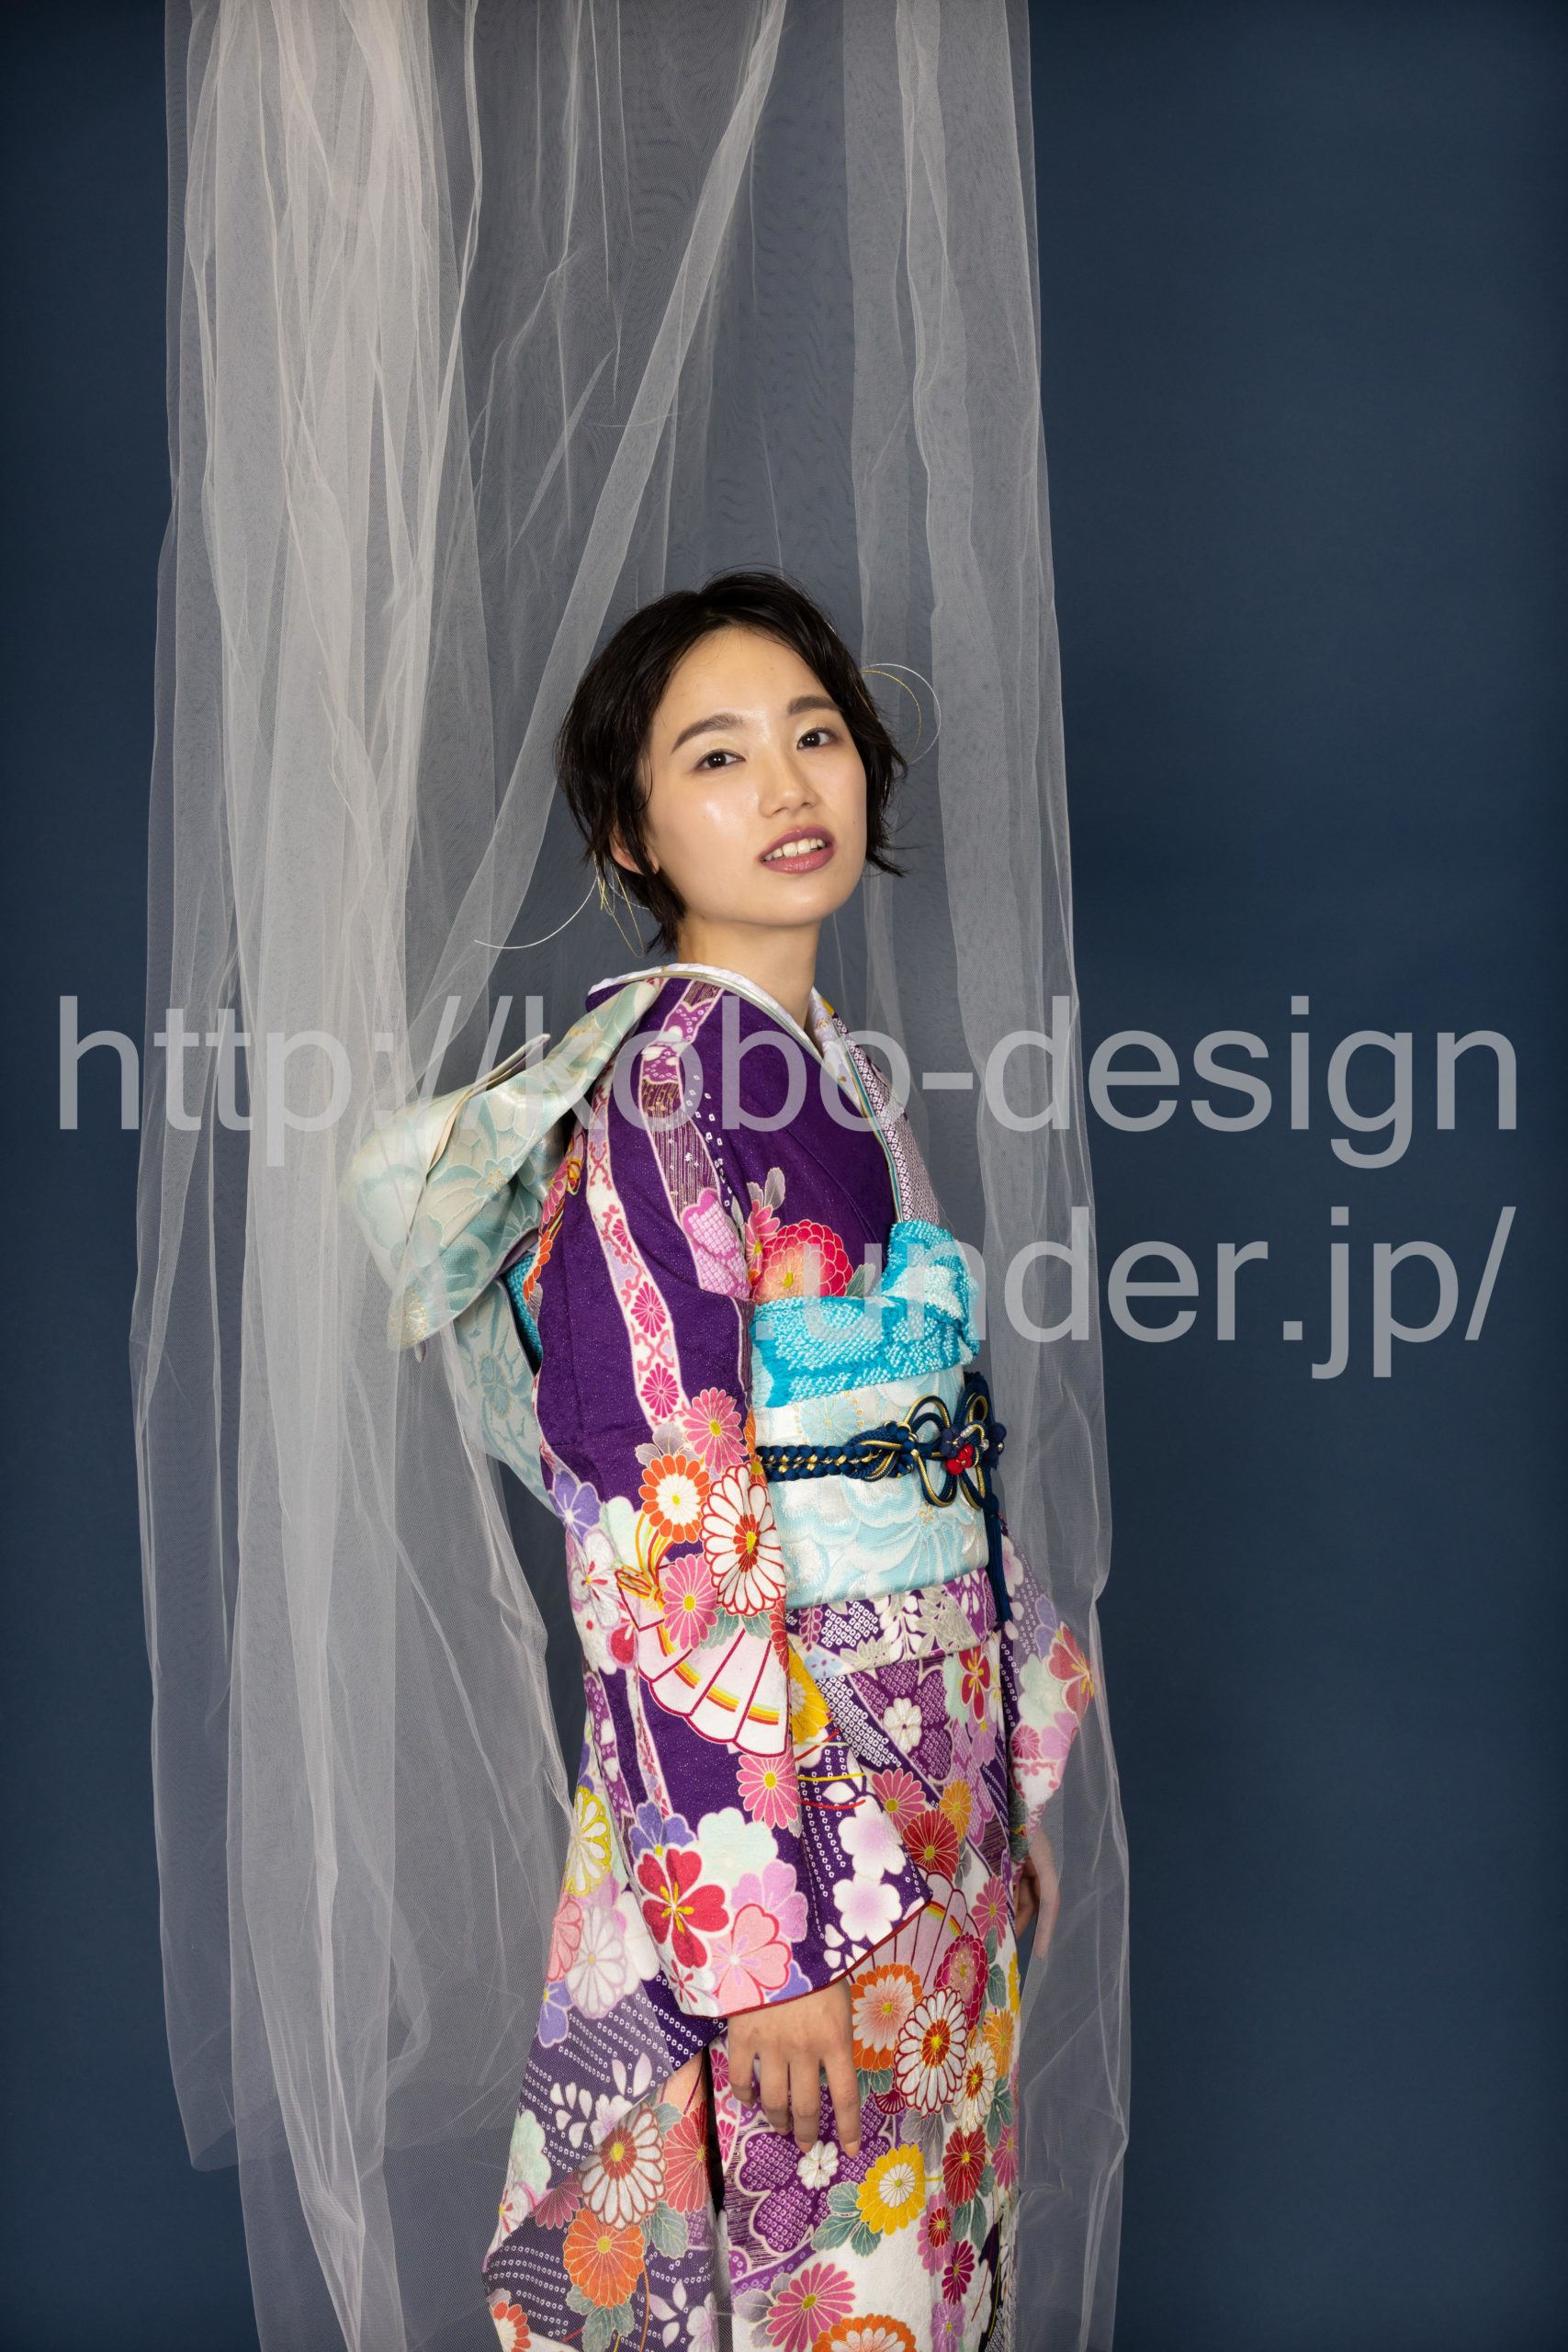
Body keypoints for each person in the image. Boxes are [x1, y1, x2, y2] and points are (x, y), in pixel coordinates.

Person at [347, 571, 1095, 2352]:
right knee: (806, 2277)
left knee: (923, 2267)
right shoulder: (666, 1092)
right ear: (632, 832)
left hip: (928, 1788)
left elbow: (939, 1456)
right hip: (788, 1830)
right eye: (716, 754)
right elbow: (657, 1513)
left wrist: (1011, 1773)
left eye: (814, 734)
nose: (785, 784)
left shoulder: (840, 1076)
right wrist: (754, 1940)